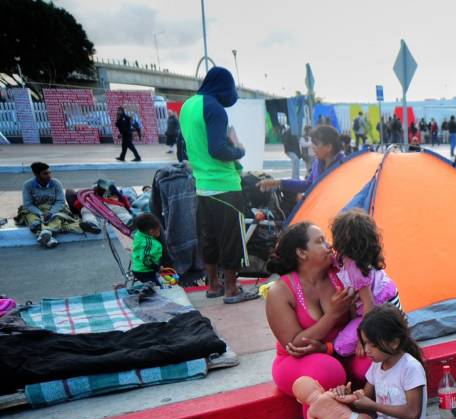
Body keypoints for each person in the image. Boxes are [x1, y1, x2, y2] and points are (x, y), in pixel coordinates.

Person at [265, 222, 369, 419]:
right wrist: (332, 315)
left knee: (370, 363)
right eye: (320, 241)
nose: (329, 246)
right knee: (326, 369)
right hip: (295, 363)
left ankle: (370, 418)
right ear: (302, 253)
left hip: (339, 350)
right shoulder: (281, 291)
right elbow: (296, 343)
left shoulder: (340, 274)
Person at [322, 306, 427, 419]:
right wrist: (347, 397)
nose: (367, 350)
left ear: (394, 342)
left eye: (373, 344)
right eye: (364, 343)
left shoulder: (410, 368)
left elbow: (412, 413)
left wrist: (372, 406)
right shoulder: (378, 364)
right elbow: (364, 396)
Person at [179, 66, 257, 303]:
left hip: (202, 185)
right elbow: (218, 149)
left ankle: (213, 285)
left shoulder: (187, 106)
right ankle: (232, 289)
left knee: (208, 236)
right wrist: (240, 151)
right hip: (225, 185)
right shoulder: (215, 109)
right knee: (232, 238)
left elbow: (189, 147)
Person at [329, 209, 400, 358]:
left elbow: (369, 306)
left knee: (340, 346)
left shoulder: (356, 268)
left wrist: (363, 339)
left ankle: (379, 338)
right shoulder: (344, 257)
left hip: (379, 310)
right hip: (382, 303)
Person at [16, 162, 88, 248]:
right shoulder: (28, 185)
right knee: (30, 217)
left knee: (58, 216)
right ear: (36, 174)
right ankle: (48, 238)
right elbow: (28, 205)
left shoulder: (56, 183)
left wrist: (51, 212)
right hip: (36, 211)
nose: (49, 175)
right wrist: (40, 213)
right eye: (45, 173)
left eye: (49, 172)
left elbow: (60, 202)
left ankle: (46, 234)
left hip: (54, 209)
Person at [261, 125, 345, 198]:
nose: (313, 147)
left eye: (316, 144)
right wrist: (278, 183)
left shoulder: (344, 166)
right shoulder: (317, 163)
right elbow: (307, 185)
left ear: (328, 147)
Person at [131, 213, 164, 285]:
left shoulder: (139, 234)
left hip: (141, 269)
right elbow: (145, 260)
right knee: (156, 288)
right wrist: (157, 268)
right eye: (158, 230)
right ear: (151, 231)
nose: (160, 232)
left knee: (155, 285)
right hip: (144, 271)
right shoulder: (147, 243)